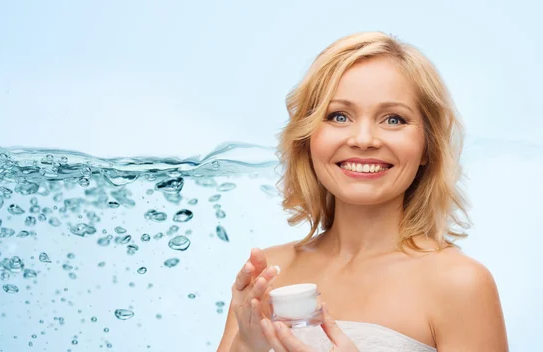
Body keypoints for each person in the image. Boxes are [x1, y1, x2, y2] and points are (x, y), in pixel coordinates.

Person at [217, 31, 508, 352]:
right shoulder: (269, 274)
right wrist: (245, 344)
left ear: (428, 146)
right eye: (339, 116)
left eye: (394, 119)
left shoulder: (460, 284)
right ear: (307, 138)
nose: (364, 138)